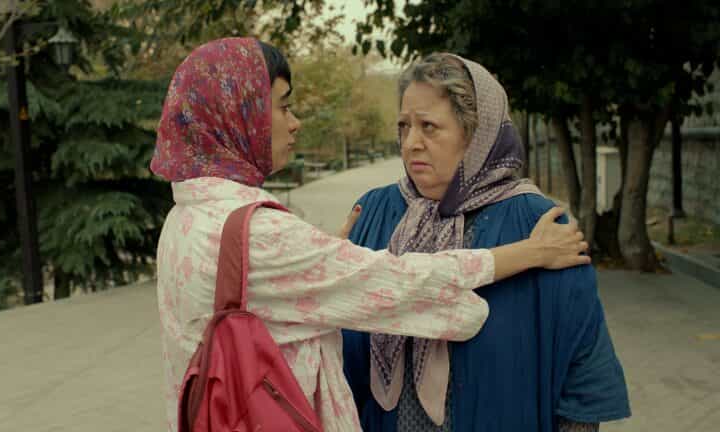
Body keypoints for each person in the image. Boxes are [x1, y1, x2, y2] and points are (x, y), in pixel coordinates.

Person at [151, 38, 589, 432]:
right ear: (236, 118)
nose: (295, 122)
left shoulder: (186, 217)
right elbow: (404, 283)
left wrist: (318, 263)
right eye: (283, 107)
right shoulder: (269, 233)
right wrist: (529, 253)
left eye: (429, 127)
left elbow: (583, 376)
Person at [341, 54, 630, 432]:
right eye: (404, 126)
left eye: (429, 126)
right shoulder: (375, 212)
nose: (411, 143)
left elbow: (581, 367)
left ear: (476, 134)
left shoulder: (537, 225)